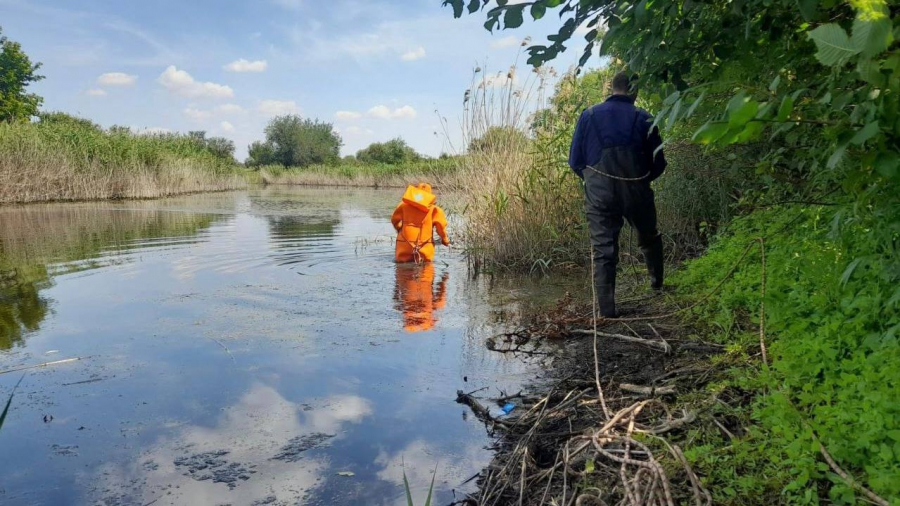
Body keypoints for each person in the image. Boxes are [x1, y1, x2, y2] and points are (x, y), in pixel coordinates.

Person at [568, 72, 667, 318]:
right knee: (649, 236)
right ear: (634, 91)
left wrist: (595, 182)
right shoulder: (644, 117)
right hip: (637, 189)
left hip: (599, 194)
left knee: (603, 250)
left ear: (611, 88)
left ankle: (607, 311)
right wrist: (640, 181)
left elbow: (575, 161)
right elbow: (659, 163)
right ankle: (656, 285)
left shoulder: (588, 116)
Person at [391, 183, 450, 263]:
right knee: (426, 268)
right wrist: (445, 239)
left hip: (404, 244)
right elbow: (441, 227)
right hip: (425, 245)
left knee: (402, 269)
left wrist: (399, 228)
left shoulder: (403, 206)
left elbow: (394, 220)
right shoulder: (435, 210)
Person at [394, 263, 449, 332]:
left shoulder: (431, 313)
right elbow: (396, 300)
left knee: (426, 260)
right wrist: (397, 282)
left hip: (425, 273)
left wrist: (444, 278)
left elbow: (440, 300)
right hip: (403, 271)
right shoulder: (404, 312)